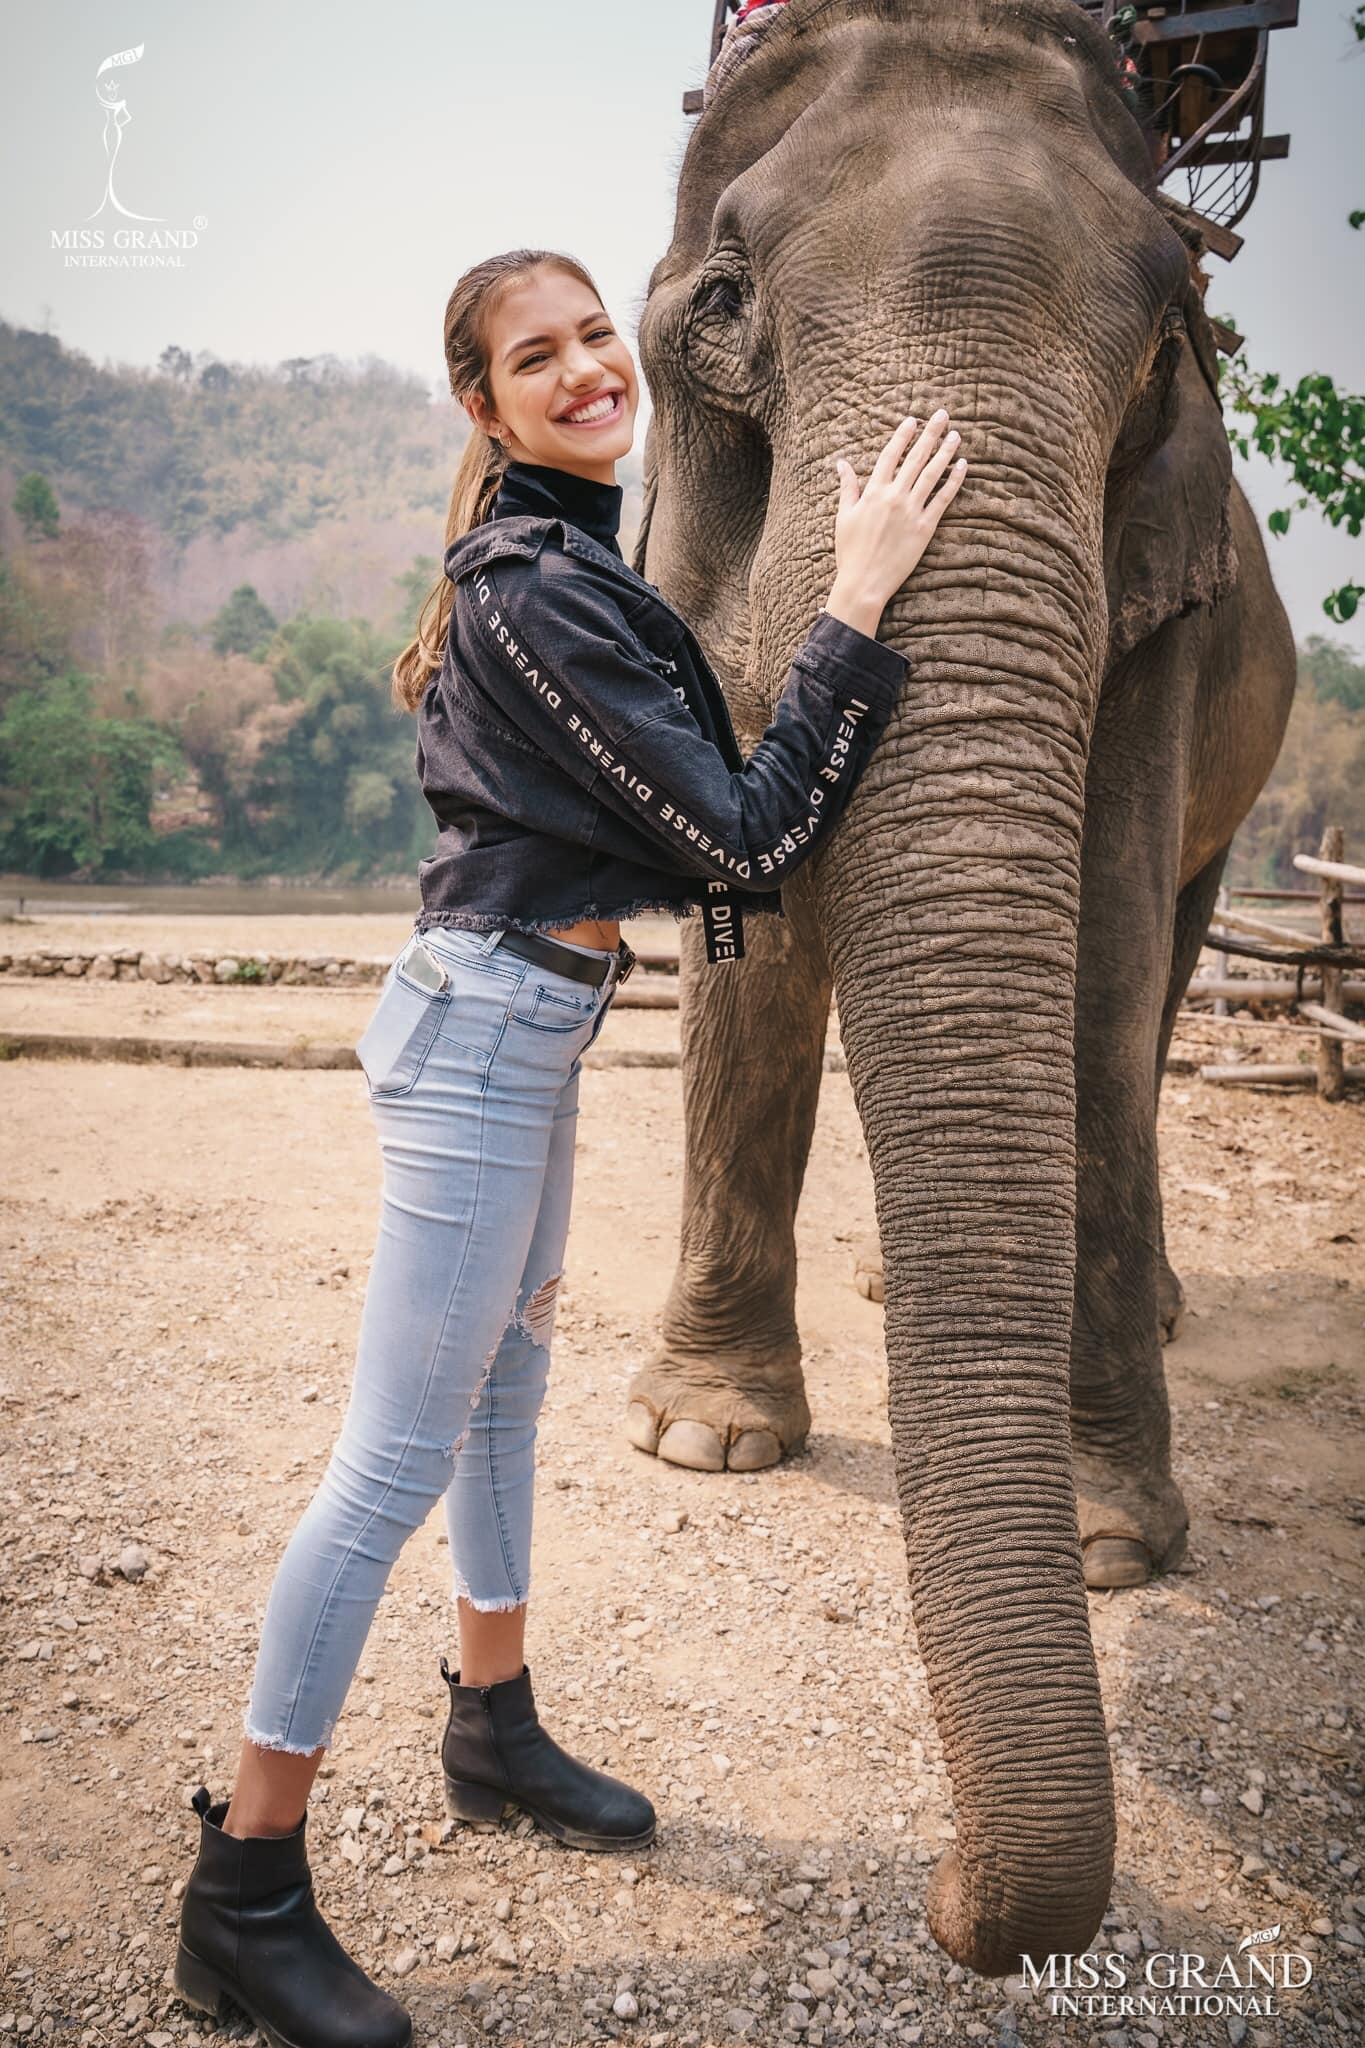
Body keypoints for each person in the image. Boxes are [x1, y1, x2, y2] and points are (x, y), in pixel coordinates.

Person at [173, 247, 967, 2048]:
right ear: (485, 403)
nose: (588, 369)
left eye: (597, 334)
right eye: (538, 358)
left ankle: (492, 1725)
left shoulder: (573, 572)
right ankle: (242, 1890)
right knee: (388, 1464)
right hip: (479, 1044)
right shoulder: (535, 590)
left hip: (522, 1027)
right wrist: (855, 597)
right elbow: (744, 841)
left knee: (505, 1406)